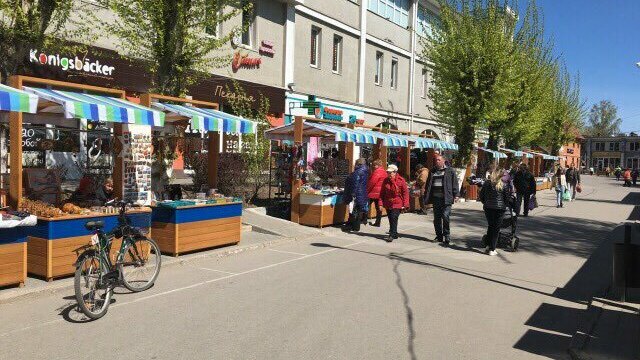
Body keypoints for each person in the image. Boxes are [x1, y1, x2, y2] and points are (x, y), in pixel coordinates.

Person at [424, 155, 459, 245]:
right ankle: (439, 236)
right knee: (437, 219)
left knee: (445, 216)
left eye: (439, 160)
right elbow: (428, 185)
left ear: (444, 161)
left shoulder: (450, 170)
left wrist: (456, 195)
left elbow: (455, 183)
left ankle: (447, 235)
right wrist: (426, 196)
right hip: (436, 199)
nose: (437, 161)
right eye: (436, 160)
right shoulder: (432, 171)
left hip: (446, 198)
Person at [479, 169, 512, 256]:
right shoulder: (503, 185)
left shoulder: (486, 183)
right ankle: (492, 249)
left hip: (488, 208)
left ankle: (488, 246)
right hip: (500, 209)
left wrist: (485, 203)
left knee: (490, 226)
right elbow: (507, 198)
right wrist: (504, 205)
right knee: (496, 229)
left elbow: (481, 195)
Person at [380, 164, 409, 242]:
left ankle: (391, 234)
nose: (389, 174)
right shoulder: (385, 180)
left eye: (391, 172)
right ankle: (395, 233)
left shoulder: (401, 180)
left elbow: (405, 193)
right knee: (391, 218)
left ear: (395, 172)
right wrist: (380, 203)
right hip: (388, 202)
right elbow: (382, 193)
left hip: (397, 203)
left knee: (394, 217)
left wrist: (405, 204)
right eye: (388, 172)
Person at [342, 158, 369, 232]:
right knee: (358, 210)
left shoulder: (358, 172)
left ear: (358, 164)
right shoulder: (366, 171)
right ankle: (355, 226)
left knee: (354, 210)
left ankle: (354, 227)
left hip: (357, 194)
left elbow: (355, 184)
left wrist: (352, 194)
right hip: (362, 193)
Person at [367, 159, 387, 227]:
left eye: (374, 165)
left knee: (365, 205)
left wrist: (367, 190)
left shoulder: (377, 172)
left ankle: (363, 219)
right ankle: (378, 222)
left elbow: (372, 182)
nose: (373, 166)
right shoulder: (384, 172)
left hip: (373, 192)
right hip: (380, 192)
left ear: (377, 165)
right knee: (378, 208)